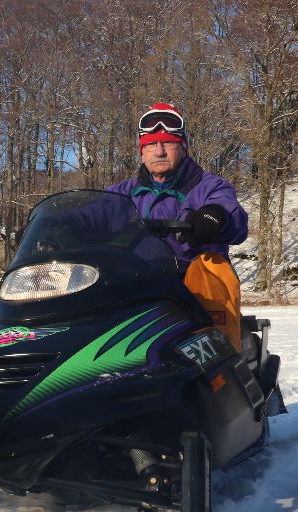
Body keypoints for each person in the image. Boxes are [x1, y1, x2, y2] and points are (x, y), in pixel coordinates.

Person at [106, 102, 248, 348]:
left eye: (167, 143)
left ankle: (223, 371)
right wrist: (55, 225)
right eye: (150, 144)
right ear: (141, 152)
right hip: (137, 287)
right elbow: (88, 214)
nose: (158, 151)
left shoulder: (209, 186)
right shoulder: (119, 195)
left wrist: (214, 215)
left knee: (213, 271)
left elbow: (231, 211)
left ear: (183, 147)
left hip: (194, 290)